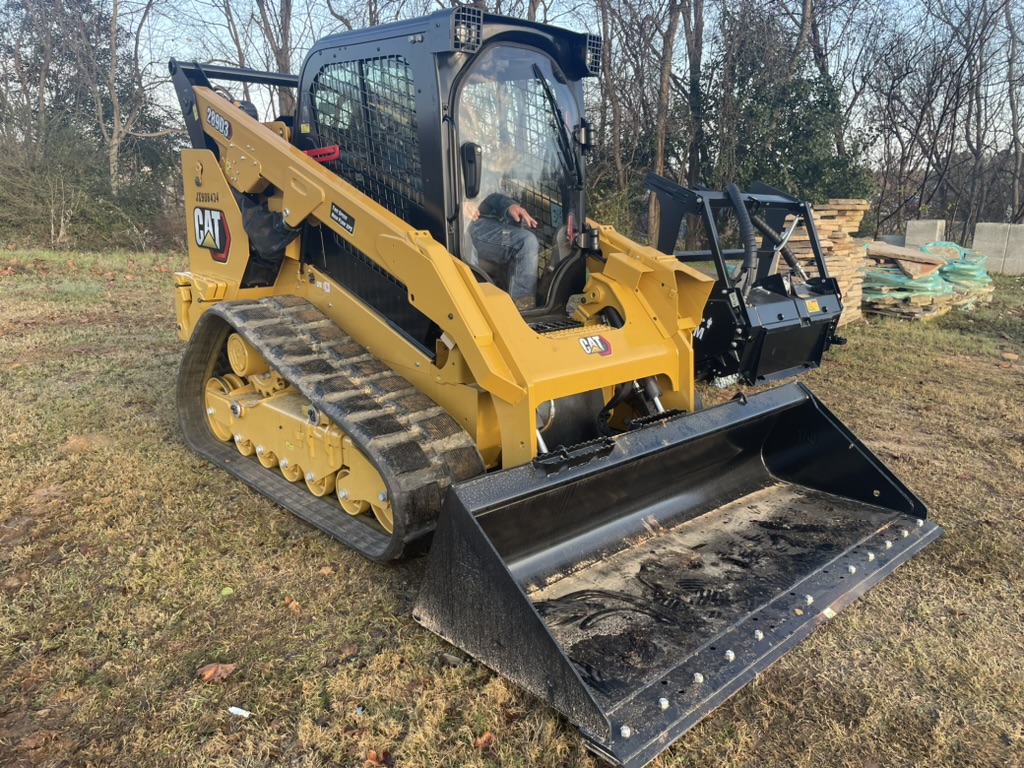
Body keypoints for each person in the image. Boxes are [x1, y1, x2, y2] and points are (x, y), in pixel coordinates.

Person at [463, 192, 540, 310]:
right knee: (465, 246)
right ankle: (475, 305)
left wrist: (509, 205)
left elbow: (488, 192)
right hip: (452, 223)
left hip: (479, 223)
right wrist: (457, 205)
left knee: (527, 241)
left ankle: (522, 307)